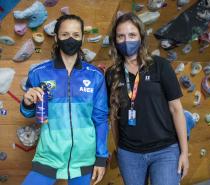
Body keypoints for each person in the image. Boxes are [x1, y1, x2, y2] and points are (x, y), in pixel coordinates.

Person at [20, 14, 109, 185]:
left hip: (84, 158)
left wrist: (101, 157)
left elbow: (100, 119)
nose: (71, 39)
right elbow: (29, 111)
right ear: (56, 37)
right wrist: (26, 102)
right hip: (49, 155)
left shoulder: (95, 76)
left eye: (76, 35)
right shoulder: (39, 73)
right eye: (65, 34)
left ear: (82, 37)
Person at [106, 12, 189, 185]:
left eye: (132, 35)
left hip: (165, 151)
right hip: (129, 154)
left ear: (141, 37)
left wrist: (184, 152)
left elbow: (176, 109)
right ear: (115, 40)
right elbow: (114, 114)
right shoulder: (112, 74)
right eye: (121, 36)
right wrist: (118, 147)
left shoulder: (160, 65)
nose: (126, 40)